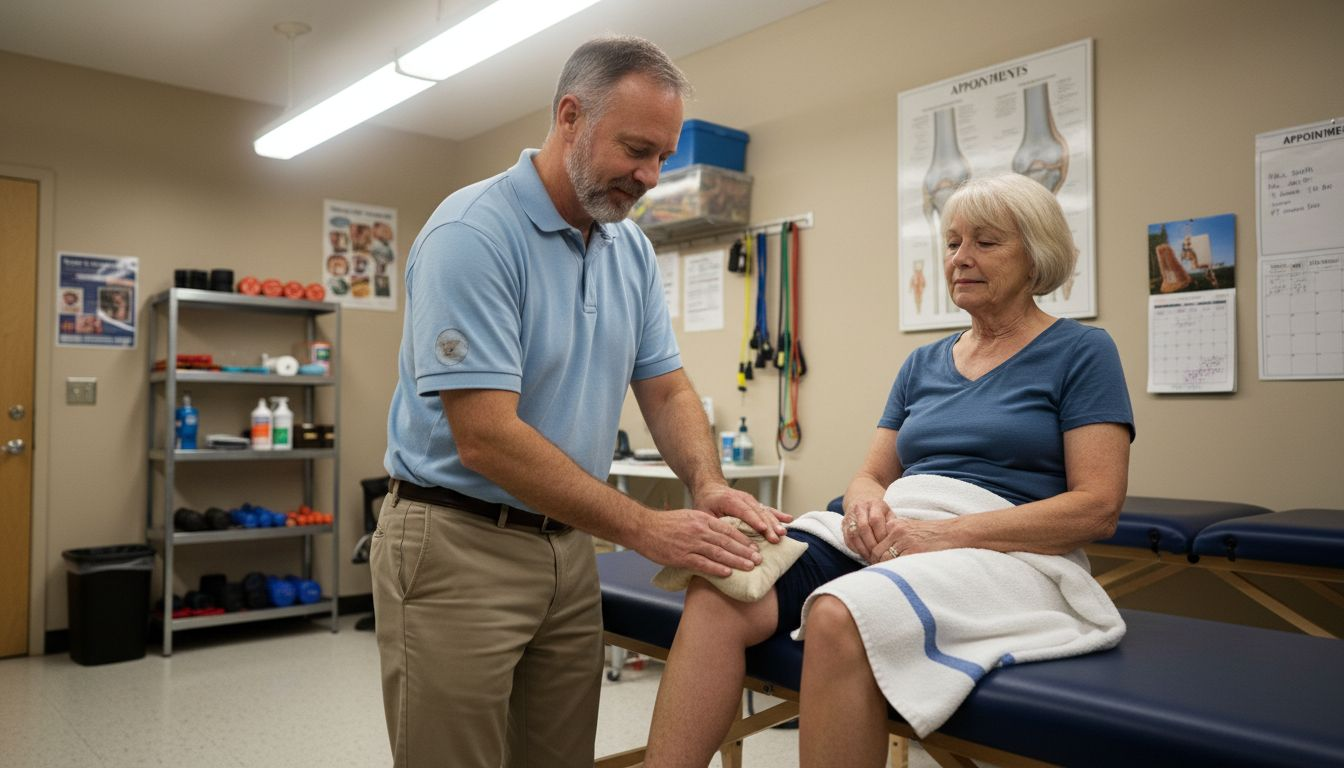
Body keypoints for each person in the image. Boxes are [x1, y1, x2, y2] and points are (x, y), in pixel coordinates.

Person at [372, 35, 788, 768]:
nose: (651, 175)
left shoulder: (628, 248)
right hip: (456, 542)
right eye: (636, 149)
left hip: (566, 548)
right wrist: (643, 527)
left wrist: (709, 483)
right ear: (570, 116)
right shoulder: (473, 235)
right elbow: (487, 438)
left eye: (663, 155)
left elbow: (665, 386)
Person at [644, 173, 1135, 768]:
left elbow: (1098, 508)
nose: (961, 258)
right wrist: (866, 505)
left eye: (986, 242)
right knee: (722, 582)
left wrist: (940, 535)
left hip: (1003, 549)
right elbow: (869, 475)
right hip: (900, 530)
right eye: (953, 242)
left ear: (1037, 255)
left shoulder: (1082, 352)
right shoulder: (923, 362)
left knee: (838, 613)